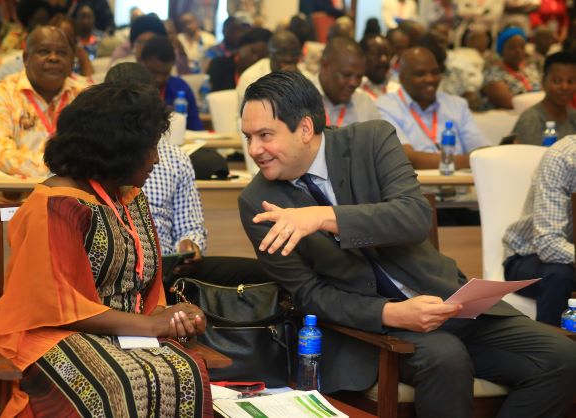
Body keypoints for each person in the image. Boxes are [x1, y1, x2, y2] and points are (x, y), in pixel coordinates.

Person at [238, 70, 576, 418]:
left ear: (305, 129)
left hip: (448, 302)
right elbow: (309, 294)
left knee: (562, 359)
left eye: (265, 135)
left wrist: (325, 217)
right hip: (368, 327)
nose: (254, 150)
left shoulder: (371, 140)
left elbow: (413, 216)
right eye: (248, 137)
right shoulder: (257, 201)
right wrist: (391, 313)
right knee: (445, 357)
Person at [0, 81, 212, 418]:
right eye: (148, 147)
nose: (154, 159)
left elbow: (142, 291)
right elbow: (60, 309)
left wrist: (176, 316)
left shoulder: (128, 197)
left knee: (187, 372)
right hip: (45, 337)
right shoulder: (57, 205)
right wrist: (153, 326)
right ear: (115, 150)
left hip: (119, 334)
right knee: (115, 384)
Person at [106, 62, 269, 289]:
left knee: (262, 275)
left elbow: (191, 226)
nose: (155, 160)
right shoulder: (94, 155)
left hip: (169, 272)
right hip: (113, 272)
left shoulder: (174, 158)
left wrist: (189, 245)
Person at [0, 26, 87, 177]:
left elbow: (100, 152)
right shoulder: (1, 94)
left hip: (73, 195)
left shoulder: (85, 97)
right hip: (11, 193)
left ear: (72, 62)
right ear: (26, 58)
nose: (54, 58)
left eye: (62, 53)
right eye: (44, 51)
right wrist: (58, 172)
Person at [503, 136, 576, 326]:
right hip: (530, 254)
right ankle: (555, 351)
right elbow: (548, 244)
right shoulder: (563, 157)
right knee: (558, 275)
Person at [377, 47, 489, 169]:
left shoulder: (457, 105)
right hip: (419, 186)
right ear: (402, 78)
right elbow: (405, 157)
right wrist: (469, 161)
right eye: (420, 74)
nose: (430, 79)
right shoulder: (385, 106)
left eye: (435, 72)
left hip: (460, 185)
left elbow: (482, 150)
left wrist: (480, 158)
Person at [309, 37, 380, 127]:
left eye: (359, 76)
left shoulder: (365, 104)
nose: (354, 83)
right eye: (346, 75)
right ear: (324, 66)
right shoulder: (299, 99)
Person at [138, 35, 203, 130]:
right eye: (154, 72)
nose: (159, 79)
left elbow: (196, 127)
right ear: (142, 62)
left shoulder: (181, 88)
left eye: (165, 73)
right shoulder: (131, 88)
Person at [513, 52, 576, 145]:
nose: (565, 87)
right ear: (543, 82)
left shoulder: (573, 115)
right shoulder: (531, 120)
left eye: (570, 81)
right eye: (557, 81)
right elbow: (528, 157)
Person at [236, 30, 302, 106]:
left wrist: (301, 82)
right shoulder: (251, 77)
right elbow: (245, 115)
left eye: (294, 53)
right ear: (270, 54)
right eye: (282, 52)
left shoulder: (305, 75)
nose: (289, 58)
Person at [482, 27, 542, 109]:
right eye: (512, 47)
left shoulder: (531, 70)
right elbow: (511, 104)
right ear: (501, 51)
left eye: (522, 46)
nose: (518, 51)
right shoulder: (493, 75)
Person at [207, 27, 271, 92]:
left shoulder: (261, 74)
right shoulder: (219, 65)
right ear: (242, 45)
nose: (255, 58)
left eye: (261, 57)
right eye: (253, 51)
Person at [360, 34, 400, 99]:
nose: (384, 59)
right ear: (362, 57)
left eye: (387, 54)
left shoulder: (398, 89)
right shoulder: (353, 90)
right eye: (377, 54)